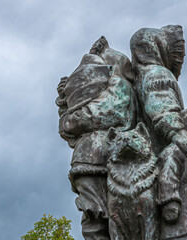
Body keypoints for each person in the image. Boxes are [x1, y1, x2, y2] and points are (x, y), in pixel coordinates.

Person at [130, 26, 187, 240]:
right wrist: (181, 136)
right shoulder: (157, 74)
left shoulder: (140, 76)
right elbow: (161, 110)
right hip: (170, 168)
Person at [56, 36, 137, 240]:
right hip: (96, 159)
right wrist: (65, 101)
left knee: (99, 221)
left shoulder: (119, 85)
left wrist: (68, 118)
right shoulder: (118, 87)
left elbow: (97, 115)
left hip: (100, 158)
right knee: (97, 219)